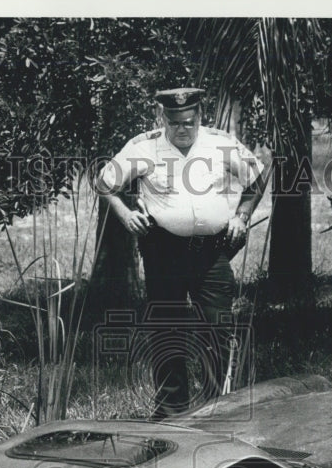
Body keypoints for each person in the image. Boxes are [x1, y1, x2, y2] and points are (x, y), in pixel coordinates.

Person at [97, 87, 266, 418]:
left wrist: (242, 216)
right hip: (163, 249)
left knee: (218, 329)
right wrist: (126, 214)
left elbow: (258, 177)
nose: (182, 129)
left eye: (188, 122)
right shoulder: (143, 146)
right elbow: (105, 182)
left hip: (212, 251)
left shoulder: (221, 143)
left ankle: (218, 410)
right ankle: (171, 411)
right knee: (167, 328)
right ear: (163, 119)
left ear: (200, 117)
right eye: (174, 123)